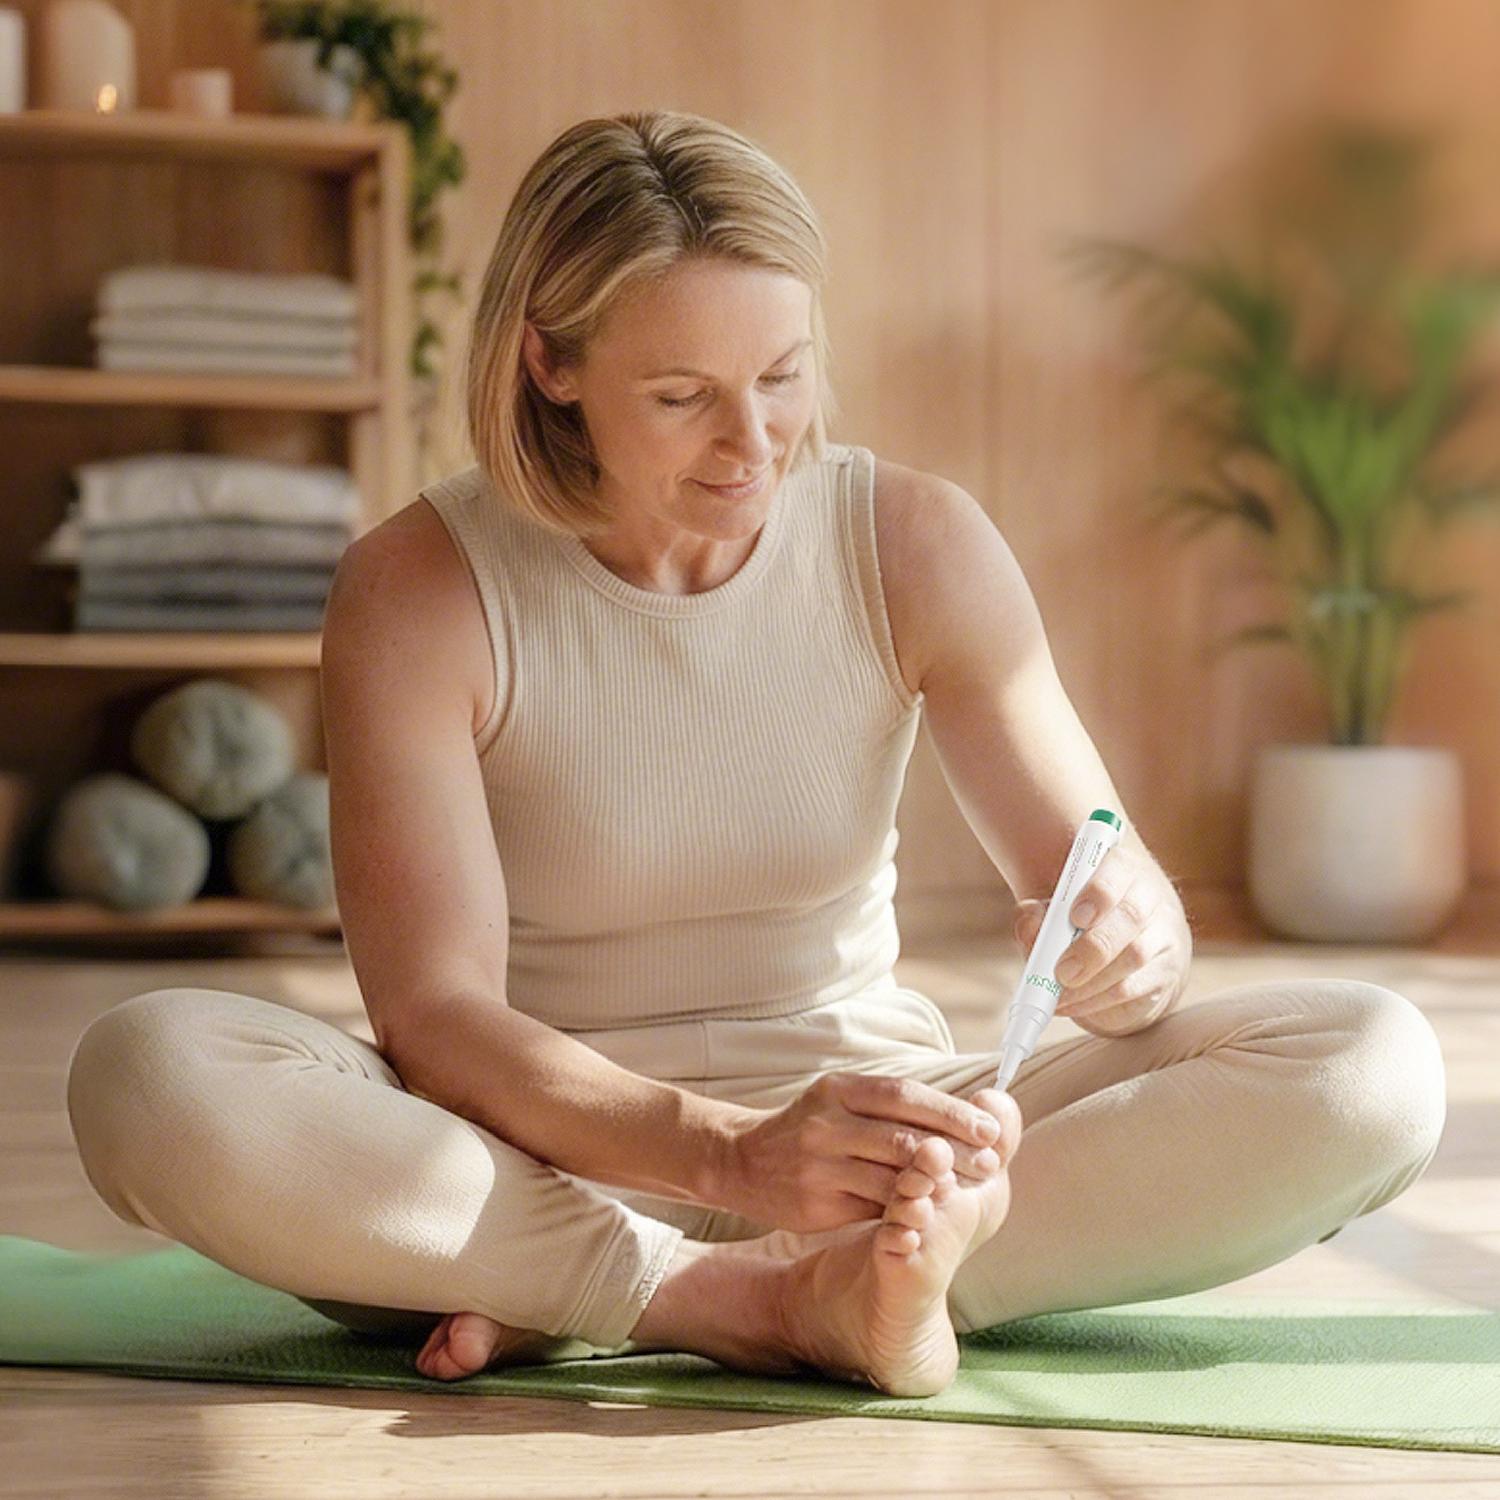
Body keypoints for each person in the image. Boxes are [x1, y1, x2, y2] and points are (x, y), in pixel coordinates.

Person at [64, 110, 1448, 1399]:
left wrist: (1133, 937)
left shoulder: (913, 541)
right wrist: (726, 1154)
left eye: (783, 375)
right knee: (149, 1070)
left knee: (1371, 1065)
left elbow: (1101, 868)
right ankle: (725, 1298)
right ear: (549, 362)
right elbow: (435, 1018)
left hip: (875, 1140)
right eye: (682, 396)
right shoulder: (419, 588)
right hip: (532, 1155)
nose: (754, 443)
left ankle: (706, 1288)